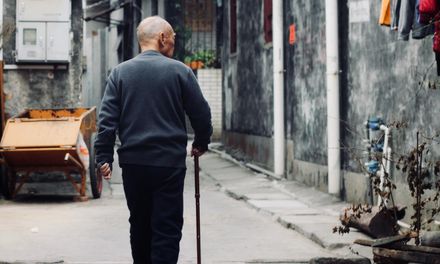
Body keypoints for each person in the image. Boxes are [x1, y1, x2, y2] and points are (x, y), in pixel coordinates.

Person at [94, 16, 212, 264]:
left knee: (139, 225)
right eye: (173, 38)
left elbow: (107, 121)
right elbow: (201, 113)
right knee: (166, 229)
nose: (174, 44)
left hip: (134, 164)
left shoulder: (120, 73)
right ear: (162, 38)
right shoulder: (180, 71)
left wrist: (104, 156)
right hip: (168, 164)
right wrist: (201, 142)